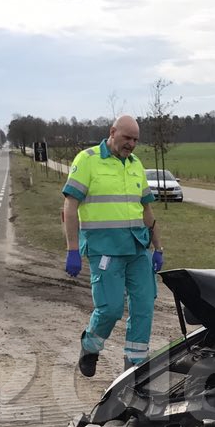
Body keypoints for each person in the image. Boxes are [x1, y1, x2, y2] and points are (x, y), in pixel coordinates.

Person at [62, 114, 165, 377]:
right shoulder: (88, 160)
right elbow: (70, 206)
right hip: (105, 248)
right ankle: (90, 346)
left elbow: (146, 209)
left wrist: (158, 246)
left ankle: (135, 366)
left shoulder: (135, 164)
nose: (131, 144)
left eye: (135, 140)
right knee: (110, 308)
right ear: (112, 132)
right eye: (127, 137)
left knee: (144, 306)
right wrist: (72, 249)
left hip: (137, 248)